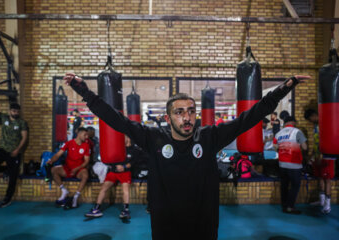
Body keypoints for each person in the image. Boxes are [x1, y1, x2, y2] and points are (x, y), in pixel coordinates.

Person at [65, 72, 309, 240]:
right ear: (168, 117)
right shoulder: (153, 138)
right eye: (179, 112)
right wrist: (84, 91)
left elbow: (250, 117)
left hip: (202, 222)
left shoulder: (210, 137)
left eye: (191, 111)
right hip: (166, 223)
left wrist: (281, 90)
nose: (187, 117)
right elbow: (114, 118)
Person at [0, 102, 28, 208]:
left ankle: (7, 198)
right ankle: (7, 170)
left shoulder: (21, 123)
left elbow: (24, 138)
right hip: (3, 150)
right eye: (14, 111)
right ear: (9, 111)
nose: (16, 113)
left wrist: (17, 150)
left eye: (17, 111)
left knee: (13, 178)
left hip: (15, 152)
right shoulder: (4, 118)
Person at [85, 135, 133, 219]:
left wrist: (124, 167)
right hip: (113, 172)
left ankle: (126, 210)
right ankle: (96, 209)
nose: (121, 140)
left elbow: (133, 163)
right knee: (103, 188)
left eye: (123, 138)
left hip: (125, 172)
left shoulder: (134, 150)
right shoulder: (118, 149)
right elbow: (111, 160)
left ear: (128, 138)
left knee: (125, 190)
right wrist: (113, 165)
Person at [47, 127, 90, 208]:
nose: (87, 137)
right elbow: (58, 154)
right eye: (85, 135)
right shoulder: (69, 143)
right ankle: (64, 191)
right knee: (54, 170)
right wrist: (51, 160)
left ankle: (76, 197)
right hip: (68, 168)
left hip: (79, 170)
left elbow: (86, 161)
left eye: (87, 135)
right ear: (79, 134)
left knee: (85, 175)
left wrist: (76, 169)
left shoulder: (86, 145)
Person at [273, 116, 307, 214]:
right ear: (293, 122)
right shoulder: (297, 132)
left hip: (282, 164)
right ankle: (290, 207)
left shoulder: (278, 133)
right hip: (294, 165)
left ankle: (284, 205)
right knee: (295, 186)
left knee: (284, 185)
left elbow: (275, 147)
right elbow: (305, 147)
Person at [304, 108, 335, 213]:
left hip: (326, 156)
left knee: (327, 180)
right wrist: (313, 155)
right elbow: (317, 142)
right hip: (318, 156)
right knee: (320, 178)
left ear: (314, 115)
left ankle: (328, 205)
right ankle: (321, 201)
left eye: (310, 118)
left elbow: (329, 140)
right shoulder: (316, 127)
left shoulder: (326, 123)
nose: (311, 121)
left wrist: (322, 154)